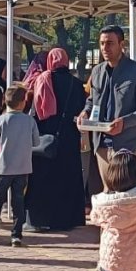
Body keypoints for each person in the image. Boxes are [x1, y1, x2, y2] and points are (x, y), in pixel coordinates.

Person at [80, 25, 136, 186]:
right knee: (108, 193)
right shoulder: (97, 71)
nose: (105, 48)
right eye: (102, 43)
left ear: (122, 45)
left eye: (110, 43)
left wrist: (124, 122)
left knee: (126, 194)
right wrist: (85, 112)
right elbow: (91, 101)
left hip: (128, 146)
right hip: (101, 145)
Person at [25, 48, 87, 232]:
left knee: (43, 179)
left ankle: (40, 219)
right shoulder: (77, 84)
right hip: (69, 138)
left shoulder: (42, 80)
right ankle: (67, 220)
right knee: (68, 178)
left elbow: (35, 111)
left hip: (45, 138)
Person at [0, 83, 41, 246]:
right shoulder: (29, 120)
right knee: (18, 201)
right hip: (23, 167)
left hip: (4, 167)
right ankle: (16, 235)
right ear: (23, 102)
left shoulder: (1, 119)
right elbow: (36, 142)